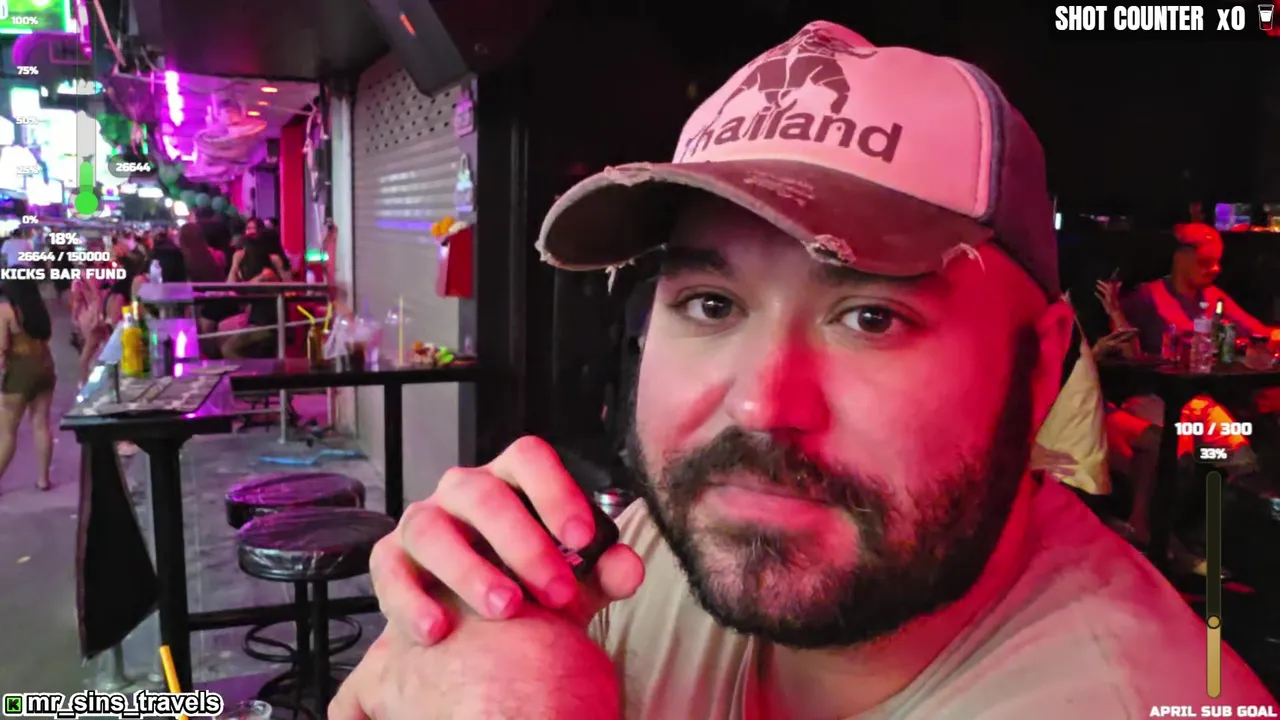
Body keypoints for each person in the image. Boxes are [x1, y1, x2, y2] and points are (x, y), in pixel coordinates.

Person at [331, 22, 1276, 719]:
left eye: (872, 317)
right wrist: (469, 640)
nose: (757, 406)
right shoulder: (667, 544)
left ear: (1039, 374)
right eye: (712, 304)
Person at [1121, 223, 1275, 355]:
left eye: (1217, 262)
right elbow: (1125, 347)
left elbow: (1259, 332)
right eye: (1205, 262)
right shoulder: (1147, 296)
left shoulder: (1212, 295)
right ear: (1181, 259)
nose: (1215, 269)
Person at [0, 278, 55, 491]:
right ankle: (43, 480)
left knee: (7, 431)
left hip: (20, 370)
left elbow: (2, 347)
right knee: (41, 423)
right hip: (45, 366)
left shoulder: (6, 311)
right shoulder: (39, 310)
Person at [219, 229, 287, 358]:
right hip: (254, 320)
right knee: (222, 331)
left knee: (228, 349)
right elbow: (230, 287)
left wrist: (238, 265)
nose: (242, 253)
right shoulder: (254, 272)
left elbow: (245, 288)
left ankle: (247, 370)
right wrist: (234, 266)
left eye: (246, 249)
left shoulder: (267, 273)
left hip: (267, 324)